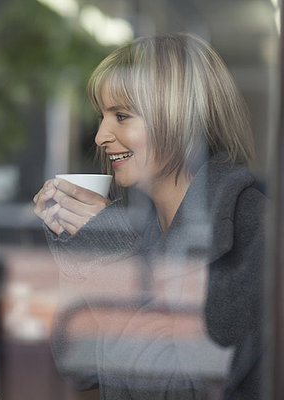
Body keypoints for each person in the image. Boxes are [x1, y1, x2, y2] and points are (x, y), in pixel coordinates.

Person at [33, 33, 264, 399]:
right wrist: (82, 248)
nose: (100, 136)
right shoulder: (145, 224)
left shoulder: (252, 231)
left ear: (178, 119)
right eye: (102, 116)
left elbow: (179, 389)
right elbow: (80, 367)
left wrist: (111, 254)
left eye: (121, 116)